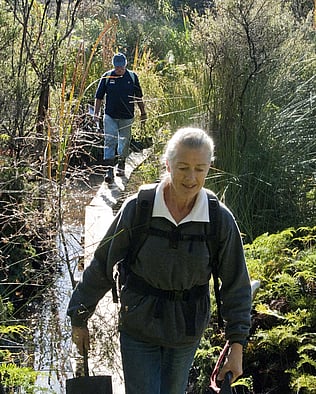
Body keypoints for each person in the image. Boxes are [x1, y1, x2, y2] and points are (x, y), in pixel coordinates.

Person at [67, 127, 252, 394]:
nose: (191, 177)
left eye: (200, 169)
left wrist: (237, 343)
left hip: (186, 329)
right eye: (183, 167)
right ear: (167, 164)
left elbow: (236, 284)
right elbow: (102, 264)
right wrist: (79, 316)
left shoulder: (218, 219)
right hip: (139, 325)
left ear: (209, 169)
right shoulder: (138, 208)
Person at [93, 52, 147, 183]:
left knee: (124, 142)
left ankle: (121, 163)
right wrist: (96, 114)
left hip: (127, 117)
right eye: (117, 67)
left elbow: (138, 97)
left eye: (121, 67)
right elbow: (99, 97)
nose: (119, 70)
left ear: (125, 65)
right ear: (114, 66)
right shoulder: (107, 77)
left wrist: (143, 113)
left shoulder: (132, 77)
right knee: (109, 141)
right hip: (110, 115)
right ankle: (109, 170)